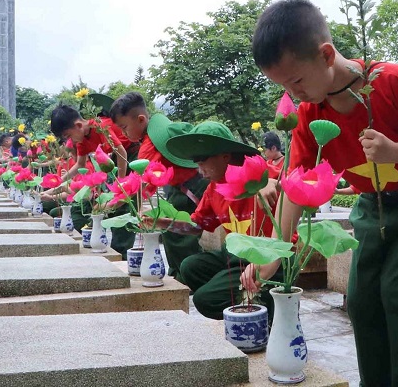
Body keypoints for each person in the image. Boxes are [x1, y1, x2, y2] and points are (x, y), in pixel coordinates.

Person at [246, 0, 398, 387]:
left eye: (296, 81)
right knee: (361, 300)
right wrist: (276, 251)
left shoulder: (390, 81)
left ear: (326, 54)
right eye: (283, 87)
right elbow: (298, 185)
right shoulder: (312, 112)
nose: (294, 96)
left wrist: (394, 151)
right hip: (373, 203)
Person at [145, 121, 278, 320]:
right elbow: (196, 226)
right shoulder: (213, 188)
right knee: (190, 267)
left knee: (205, 299)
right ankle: (243, 300)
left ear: (224, 156)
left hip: (268, 256)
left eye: (202, 161)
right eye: (196, 163)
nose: (200, 170)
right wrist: (161, 223)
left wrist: (270, 182)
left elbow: (286, 182)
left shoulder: (255, 172)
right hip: (235, 255)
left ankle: (263, 311)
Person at [109, 92, 209, 279]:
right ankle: (179, 273)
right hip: (181, 187)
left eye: (124, 128)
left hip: (190, 188)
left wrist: (115, 201)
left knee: (179, 236)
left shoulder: (149, 145)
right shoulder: (154, 134)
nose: (123, 134)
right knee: (172, 234)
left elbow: (141, 182)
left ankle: (187, 277)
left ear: (140, 119)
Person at [42, 104, 134, 232]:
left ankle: (121, 246)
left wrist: (121, 182)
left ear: (79, 125)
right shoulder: (82, 140)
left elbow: (121, 152)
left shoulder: (98, 126)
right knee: (107, 207)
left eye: (68, 136)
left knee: (123, 203)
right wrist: (58, 181)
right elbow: (80, 165)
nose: (70, 142)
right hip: (114, 158)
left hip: (129, 154)